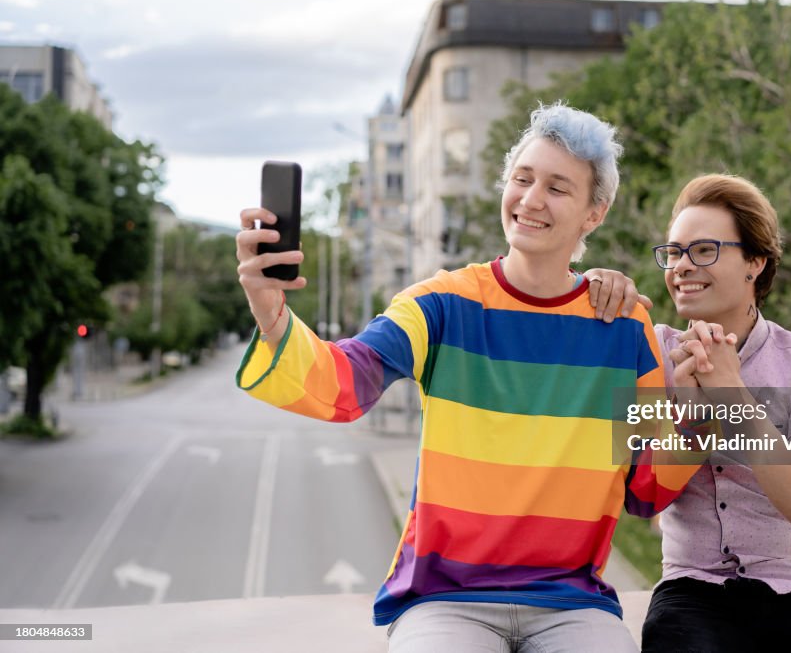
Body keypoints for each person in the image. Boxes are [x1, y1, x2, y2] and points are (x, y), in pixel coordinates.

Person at [234, 103, 696, 652]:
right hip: (444, 600)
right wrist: (270, 312)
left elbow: (646, 489)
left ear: (594, 214)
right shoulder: (441, 303)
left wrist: (705, 408)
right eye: (522, 179)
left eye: (557, 188)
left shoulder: (623, 329)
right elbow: (343, 386)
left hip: (571, 601)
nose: (530, 200)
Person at [630, 173, 791, 652]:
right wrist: (601, 282)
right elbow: (640, 496)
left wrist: (731, 393)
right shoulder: (649, 352)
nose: (682, 266)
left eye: (703, 250)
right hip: (692, 592)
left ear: (755, 262)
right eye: (675, 252)